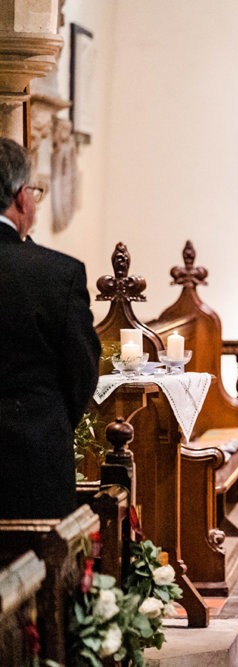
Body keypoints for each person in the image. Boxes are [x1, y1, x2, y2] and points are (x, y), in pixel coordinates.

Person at [0, 138, 100, 520]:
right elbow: (82, 371)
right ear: (22, 197)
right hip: (33, 460)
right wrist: (49, 422)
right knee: (40, 572)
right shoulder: (58, 274)